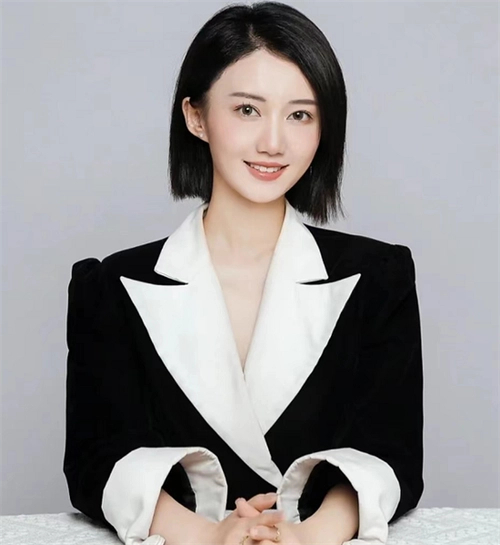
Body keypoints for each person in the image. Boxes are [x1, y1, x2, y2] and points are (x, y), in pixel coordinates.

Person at [63, 2, 424, 545]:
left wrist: (307, 536)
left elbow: (391, 452)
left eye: (300, 115)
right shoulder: (111, 287)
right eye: (248, 110)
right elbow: (97, 459)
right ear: (195, 116)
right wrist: (207, 537)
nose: (273, 143)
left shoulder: (378, 278)